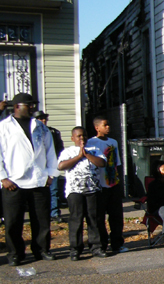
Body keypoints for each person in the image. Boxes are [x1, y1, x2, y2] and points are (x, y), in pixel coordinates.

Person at [0, 93, 57, 265]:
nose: (32, 108)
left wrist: (51, 174)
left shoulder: (40, 127)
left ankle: (41, 250)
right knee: (13, 221)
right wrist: (3, 177)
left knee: (41, 219)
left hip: (39, 179)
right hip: (14, 181)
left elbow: (50, 151)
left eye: (33, 105)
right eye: (29, 105)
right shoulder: (4, 127)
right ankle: (15, 253)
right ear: (17, 106)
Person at [57, 126, 106, 260]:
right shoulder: (67, 152)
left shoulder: (95, 150)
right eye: (78, 136)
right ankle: (75, 249)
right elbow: (61, 166)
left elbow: (102, 163)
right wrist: (79, 156)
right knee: (76, 220)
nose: (82, 138)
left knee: (94, 219)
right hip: (75, 191)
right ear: (73, 138)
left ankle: (96, 247)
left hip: (93, 190)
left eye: (84, 135)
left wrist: (87, 155)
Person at [87, 116, 127, 254]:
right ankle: (101, 245)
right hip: (98, 185)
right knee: (99, 217)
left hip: (112, 183)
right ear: (97, 127)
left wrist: (119, 182)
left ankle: (117, 243)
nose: (108, 127)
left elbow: (117, 163)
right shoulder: (90, 143)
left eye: (109, 124)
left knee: (116, 216)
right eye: (105, 125)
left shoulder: (113, 142)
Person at [35, 111, 64, 221]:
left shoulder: (53, 132)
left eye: (44, 119)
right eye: (40, 118)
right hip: (39, 166)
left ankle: (54, 213)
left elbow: (60, 148)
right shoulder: (32, 132)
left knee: (54, 189)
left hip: (51, 164)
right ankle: (42, 214)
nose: (43, 121)